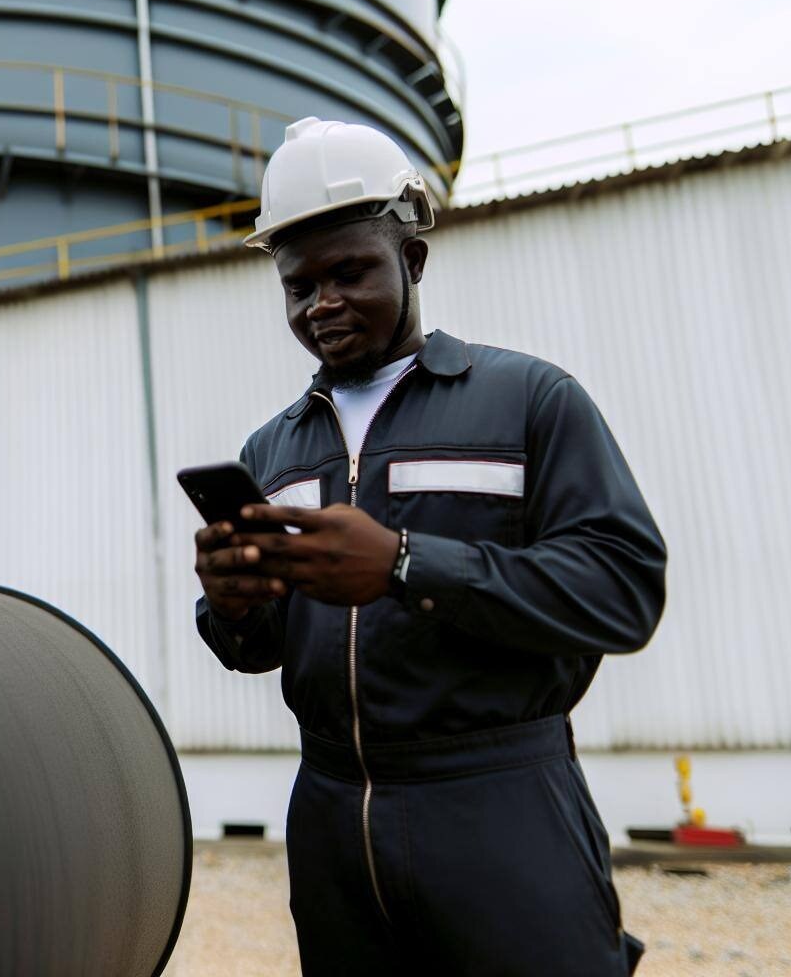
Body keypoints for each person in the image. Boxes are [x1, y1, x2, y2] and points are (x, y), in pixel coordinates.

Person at [193, 117, 667, 975]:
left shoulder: (529, 400)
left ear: (412, 259)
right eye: (300, 286)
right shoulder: (273, 449)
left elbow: (623, 589)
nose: (323, 304)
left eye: (351, 272)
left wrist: (406, 564)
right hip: (331, 813)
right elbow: (257, 649)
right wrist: (230, 608)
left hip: (497, 797)